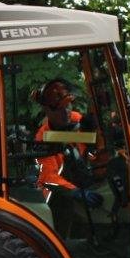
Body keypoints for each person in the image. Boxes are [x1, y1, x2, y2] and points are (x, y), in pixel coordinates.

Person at [32, 78, 103, 237]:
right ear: (47, 111)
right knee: (63, 219)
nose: (66, 112)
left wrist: (96, 134)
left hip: (86, 177)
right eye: (60, 109)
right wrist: (77, 192)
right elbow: (48, 176)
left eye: (68, 106)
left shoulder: (79, 121)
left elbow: (92, 150)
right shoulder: (43, 138)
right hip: (61, 195)